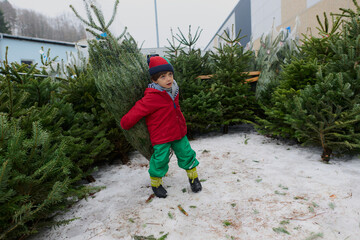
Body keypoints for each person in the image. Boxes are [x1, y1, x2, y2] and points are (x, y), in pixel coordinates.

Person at [120, 56, 202, 198]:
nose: (168, 79)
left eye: (170, 74)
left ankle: (193, 178)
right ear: (154, 80)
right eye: (163, 76)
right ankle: (156, 183)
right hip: (161, 136)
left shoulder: (173, 90)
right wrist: (125, 123)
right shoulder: (152, 97)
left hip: (178, 132)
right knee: (160, 160)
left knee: (187, 154)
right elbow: (137, 110)